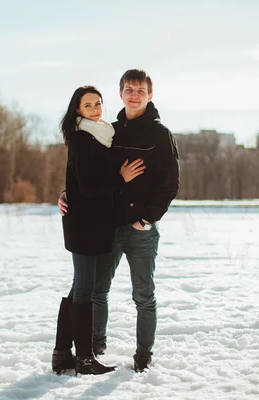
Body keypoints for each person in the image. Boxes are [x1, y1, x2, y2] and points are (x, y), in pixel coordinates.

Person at [58, 69, 180, 372]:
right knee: (97, 291)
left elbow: (171, 183)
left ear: (150, 95)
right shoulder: (108, 131)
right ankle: (95, 346)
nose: (134, 95)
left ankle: (143, 355)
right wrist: (67, 193)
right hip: (107, 224)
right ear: (121, 93)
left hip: (139, 227)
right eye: (129, 89)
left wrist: (148, 219)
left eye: (140, 90)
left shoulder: (160, 133)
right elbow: (88, 170)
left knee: (143, 295)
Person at [52, 85, 146, 375]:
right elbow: (89, 186)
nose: (94, 109)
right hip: (83, 223)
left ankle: (62, 353)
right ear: (77, 110)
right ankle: (84, 358)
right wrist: (121, 178)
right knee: (84, 289)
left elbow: (79, 182)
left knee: (80, 286)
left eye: (97, 103)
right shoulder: (82, 139)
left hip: (94, 222)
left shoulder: (101, 134)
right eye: (88, 105)